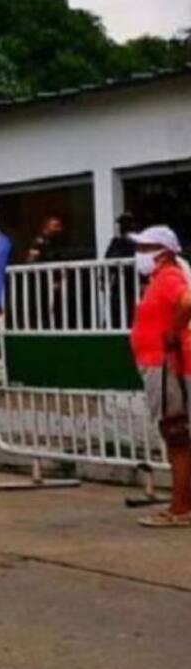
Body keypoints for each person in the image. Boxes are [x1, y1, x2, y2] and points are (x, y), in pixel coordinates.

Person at [128, 226, 191, 528]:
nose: (140, 255)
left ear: (163, 252)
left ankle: (180, 507)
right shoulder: (157, 279)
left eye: (145, 248)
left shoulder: (169, 277)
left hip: (168, 365)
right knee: (176, 433)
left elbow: (186, 302)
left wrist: (171, 333)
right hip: (159, 363)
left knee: (175, 433)